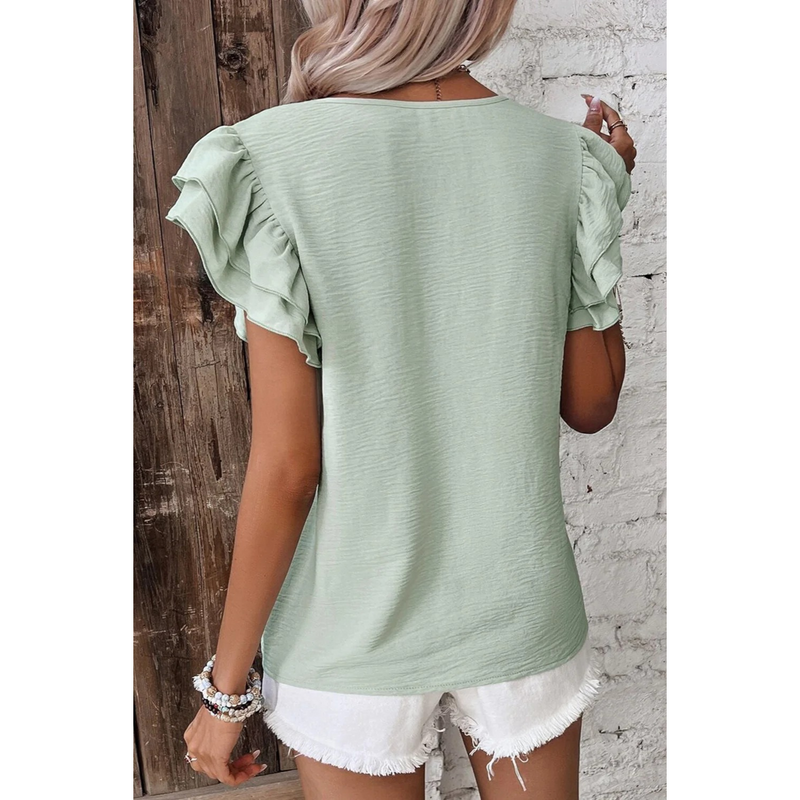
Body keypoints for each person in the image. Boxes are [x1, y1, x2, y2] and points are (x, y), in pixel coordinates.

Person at [164, 2, 637, 798]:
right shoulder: (569, 159)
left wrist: (226, 691)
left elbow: (289, 466)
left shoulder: (266, 159)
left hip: (350, 632)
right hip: (521, 609)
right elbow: (592, 403)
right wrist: (602, 201)